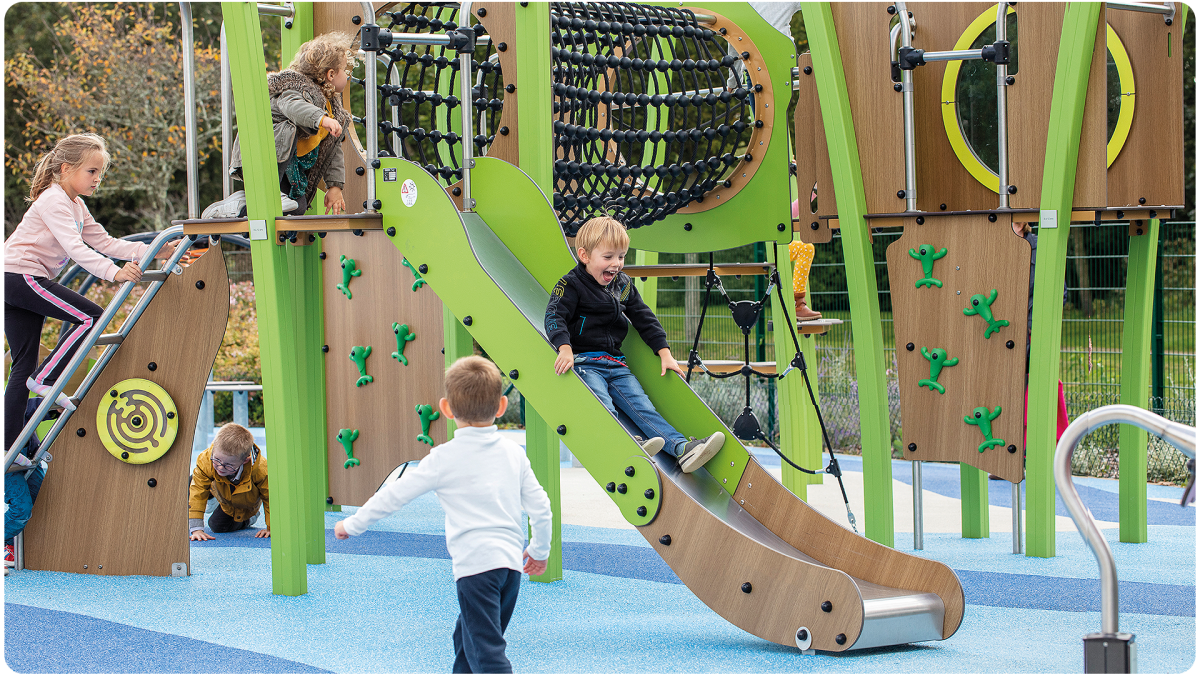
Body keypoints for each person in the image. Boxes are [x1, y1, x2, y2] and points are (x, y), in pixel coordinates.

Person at [334, 355, 552, 674]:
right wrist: (539, 551)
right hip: (509, 569)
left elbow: (394, 495)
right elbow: (541, 507)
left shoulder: (443, 459)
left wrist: (352, 524)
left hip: (476, 569)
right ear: (502, 406)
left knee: (487, 653)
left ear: (446, 409)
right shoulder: (514, 454)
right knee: (467, 640)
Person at [3, 133, 180, 455]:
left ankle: (7, 446)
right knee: (91, 317)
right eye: (92, 171)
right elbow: (75, 248)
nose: (98, 179)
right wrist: (113, 272)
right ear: (66, 168)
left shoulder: (75, 204)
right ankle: (47, 377)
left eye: (101, 172)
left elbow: (106, 242)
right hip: (19, 275)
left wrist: (153, 251)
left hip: (16, 280)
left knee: (22, 365)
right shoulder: (53, 200)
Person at [546, 216, 725, 473]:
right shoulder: (570, 285)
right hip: (585, 363)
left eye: (621, 257)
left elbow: (644, 317)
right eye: (608, 257)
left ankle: (682, 449)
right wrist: (564, 348)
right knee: (601, 402)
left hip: (616, 364)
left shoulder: (623, 284)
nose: (616, 264)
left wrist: (664, 353)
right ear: (584, 255)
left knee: (642, 407)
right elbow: (554, 316)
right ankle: (624, 442)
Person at [205, 32, 355, 219]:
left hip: (291, 167)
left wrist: (335, 187)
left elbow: (332, 152)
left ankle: (238, 206)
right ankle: (265, 191)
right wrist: (321, 118)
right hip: (264, 154)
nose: (348, 76)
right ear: (331, 74)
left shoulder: (334, 110)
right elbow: (292, 106)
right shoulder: (296, 87)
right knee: (288, 129)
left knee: (297, 208)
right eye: (345, 71)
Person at [188, 423, 270, 539]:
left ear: (245, 461)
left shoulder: (261, 470)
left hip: (239, 504)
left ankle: (250, 518)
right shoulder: (206, 459)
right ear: (213, 449)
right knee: (192, 482)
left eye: (228, 465)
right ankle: (211, 500)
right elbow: (197, 491)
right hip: (218, 488)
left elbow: (269, 497)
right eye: (216, 460)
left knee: (217, 526)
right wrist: (196, 529)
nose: (221, 467)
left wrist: (271, 527)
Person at [4, 398, 52, 573]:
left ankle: (10, 547)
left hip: (29, 457)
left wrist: (56, 408)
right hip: (8, 462)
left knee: (36, 499)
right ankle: (8, 545)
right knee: (21, 508)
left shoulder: (11, 401)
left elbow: (33, 405)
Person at [789, 199, 822, 321]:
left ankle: (799, 303)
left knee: (806, 248)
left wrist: (811, 192)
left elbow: (791, 211)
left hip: (777, 244)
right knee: (806, 249)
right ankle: (798, 303)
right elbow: (790, 212)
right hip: (776, 247)